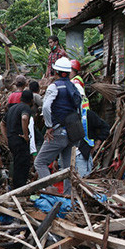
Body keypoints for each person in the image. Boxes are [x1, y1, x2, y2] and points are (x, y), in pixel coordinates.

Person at [35, 57, 82, 194]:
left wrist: (49, 126)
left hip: (58, 132)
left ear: (57, 72)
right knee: (68, 168)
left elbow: (46, 108)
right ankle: (68, 196)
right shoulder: (74, 86)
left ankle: (50, 190)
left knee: (40, 162)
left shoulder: (54, 87)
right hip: (73, 133)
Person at [0, 90, 33, 189]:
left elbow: (2, 124)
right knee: (23, 165)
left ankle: (14, 186)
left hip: (12, 140)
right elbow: (24, 118)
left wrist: (6, 138)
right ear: (31, 100)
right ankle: (20, 188)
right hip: (20, 140)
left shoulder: (12, 108)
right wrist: (26, 135)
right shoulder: (25, 107)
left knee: (16, 163)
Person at [76, 108, 109, 177]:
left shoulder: (87, 114)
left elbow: (105, 127)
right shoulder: (63, 114)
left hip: (83, 154)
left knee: (81, 181)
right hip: (67, 155)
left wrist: (98, 143)